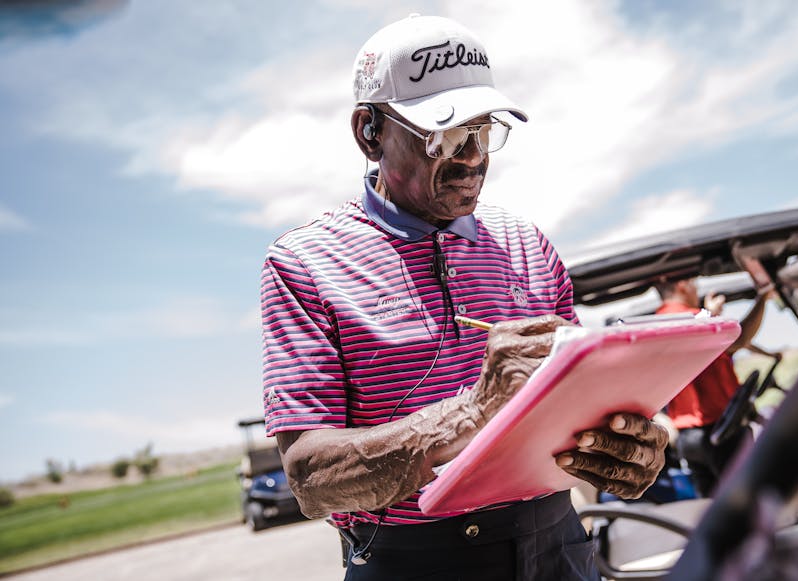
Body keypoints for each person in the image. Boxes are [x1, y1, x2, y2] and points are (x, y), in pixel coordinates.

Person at [260, 14, 669, 581]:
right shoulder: (306, 263)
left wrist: (626, 451)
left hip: (558, 545)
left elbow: (581, 415)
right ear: (369, 132)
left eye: (484, 131)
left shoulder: (527, 244)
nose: (474, 157)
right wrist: (474, 410)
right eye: (445, 136)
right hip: (413, 563)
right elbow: (309, 479)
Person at [654, 276, 774, 497]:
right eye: (694, 283)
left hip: (689, 439)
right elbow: (739, 339)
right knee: (749, 501)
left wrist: (709, 316)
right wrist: (763, 297)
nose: (697, 289)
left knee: (713, 507)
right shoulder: (691, 319)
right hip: (721, 431)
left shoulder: (659, 324)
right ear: (682, 284)